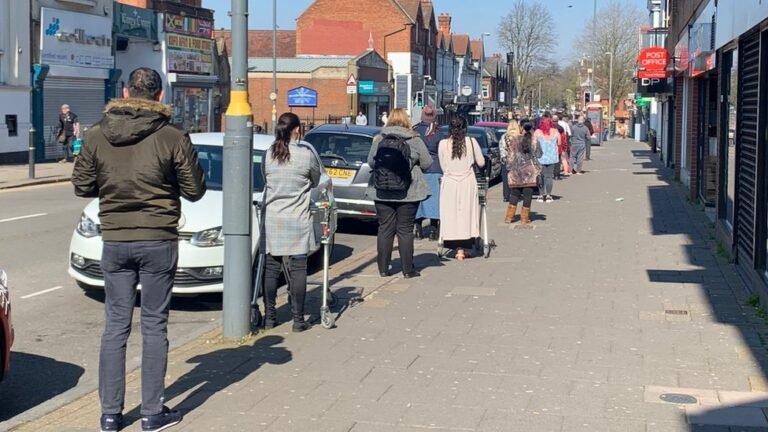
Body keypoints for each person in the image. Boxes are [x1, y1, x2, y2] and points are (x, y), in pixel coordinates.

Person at [72, 67, 206, 432]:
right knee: (154, 325)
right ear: (160, 97)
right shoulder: (173, 136)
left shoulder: (97, 135)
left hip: (115, 239)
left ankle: (111, 415)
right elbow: (195, 189)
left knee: (115, 326)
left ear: (127, 93)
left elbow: (82, 186)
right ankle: (151, 413)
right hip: (159, 239)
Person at [262, 112, 321, 333]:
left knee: (271, 268)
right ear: (297, 130)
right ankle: (298, 319)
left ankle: (270, 317)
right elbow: (315, 180)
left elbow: (265, 179)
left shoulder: (269, 154)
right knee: (298, 269)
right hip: (298, 218)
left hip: (274, 217)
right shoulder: (305, 156)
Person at [367, 108, 432, 278]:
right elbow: (427, 163)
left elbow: (370, 162)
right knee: (405, 230)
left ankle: (383, 268)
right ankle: (408, 270)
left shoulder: (380, 138)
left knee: (385, 229)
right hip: (408, 192)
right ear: (406, 120)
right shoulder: (414, 139)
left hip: (381, 190)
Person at [438, 116, 485, 261]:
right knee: (467, 214)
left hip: (450, 182)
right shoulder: (471, 142)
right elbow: (481, 162)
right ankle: (464, 248)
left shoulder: (443, 144)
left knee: (451, 215)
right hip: (467, 181)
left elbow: (442, 166)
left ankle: (456, 248)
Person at [503, 120, 541, 225]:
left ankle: (509, 217)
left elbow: (510, 157)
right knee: (527, 194)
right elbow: (539, 154)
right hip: (529, 172)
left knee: (514, 194)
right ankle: (524, 219)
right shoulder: (533, 140)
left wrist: (509, 168)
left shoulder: (514, 140)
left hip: (515, 170)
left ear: (521, 128)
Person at [413, 106, 441, 241]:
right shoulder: (438, 132)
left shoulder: (415, 131)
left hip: (418, 169)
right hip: (435, 168)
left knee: (419, 199)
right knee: (434, 200)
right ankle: (433, 231)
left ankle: (417, 229)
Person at [534, 113, 560, 203]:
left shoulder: (537, 132)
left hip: (540, 158)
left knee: (540, 176)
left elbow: (533, 145)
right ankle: (549, 195)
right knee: (549, 177)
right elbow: (559, 143)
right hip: (552, 157)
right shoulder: (556, 131)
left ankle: (541, 195)